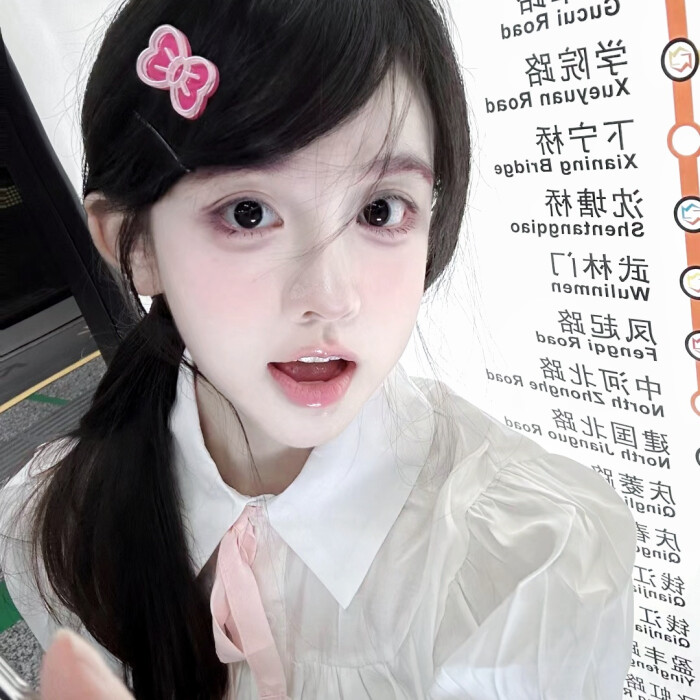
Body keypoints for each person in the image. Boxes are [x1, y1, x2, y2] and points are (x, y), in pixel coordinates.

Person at [0, 0, 637, 697]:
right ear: (136, 244)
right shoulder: (50, 523)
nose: (331, 299)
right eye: (248, 213)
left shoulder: (529, 565)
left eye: (380, 209)